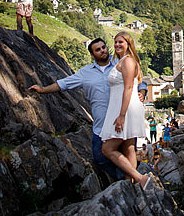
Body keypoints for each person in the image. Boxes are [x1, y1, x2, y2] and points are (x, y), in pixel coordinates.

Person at [27, 38, 147, 182]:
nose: (103, 51)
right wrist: (42, 90)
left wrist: (142, 91)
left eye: (103, 47)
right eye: (98, 49)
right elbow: (63, 84)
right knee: (100, 158)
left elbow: (137, 80)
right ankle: (123, 180)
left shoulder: (119, 63)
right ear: (92, 54)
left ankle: (129, 185)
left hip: (121, 119)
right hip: (101, 124)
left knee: (128, 151)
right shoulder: (85, 73)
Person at [99, 31, 151, 187]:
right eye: (115, 42)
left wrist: (121, 115)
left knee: (107, 149)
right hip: (122, 107)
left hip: (125, 109)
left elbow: (128, 88)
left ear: (129, 44)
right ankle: (132, 184)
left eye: (120, 42)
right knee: (128, 148)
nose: (117, 45)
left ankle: (140, 178)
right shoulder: (121, 61)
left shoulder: (128, 61)